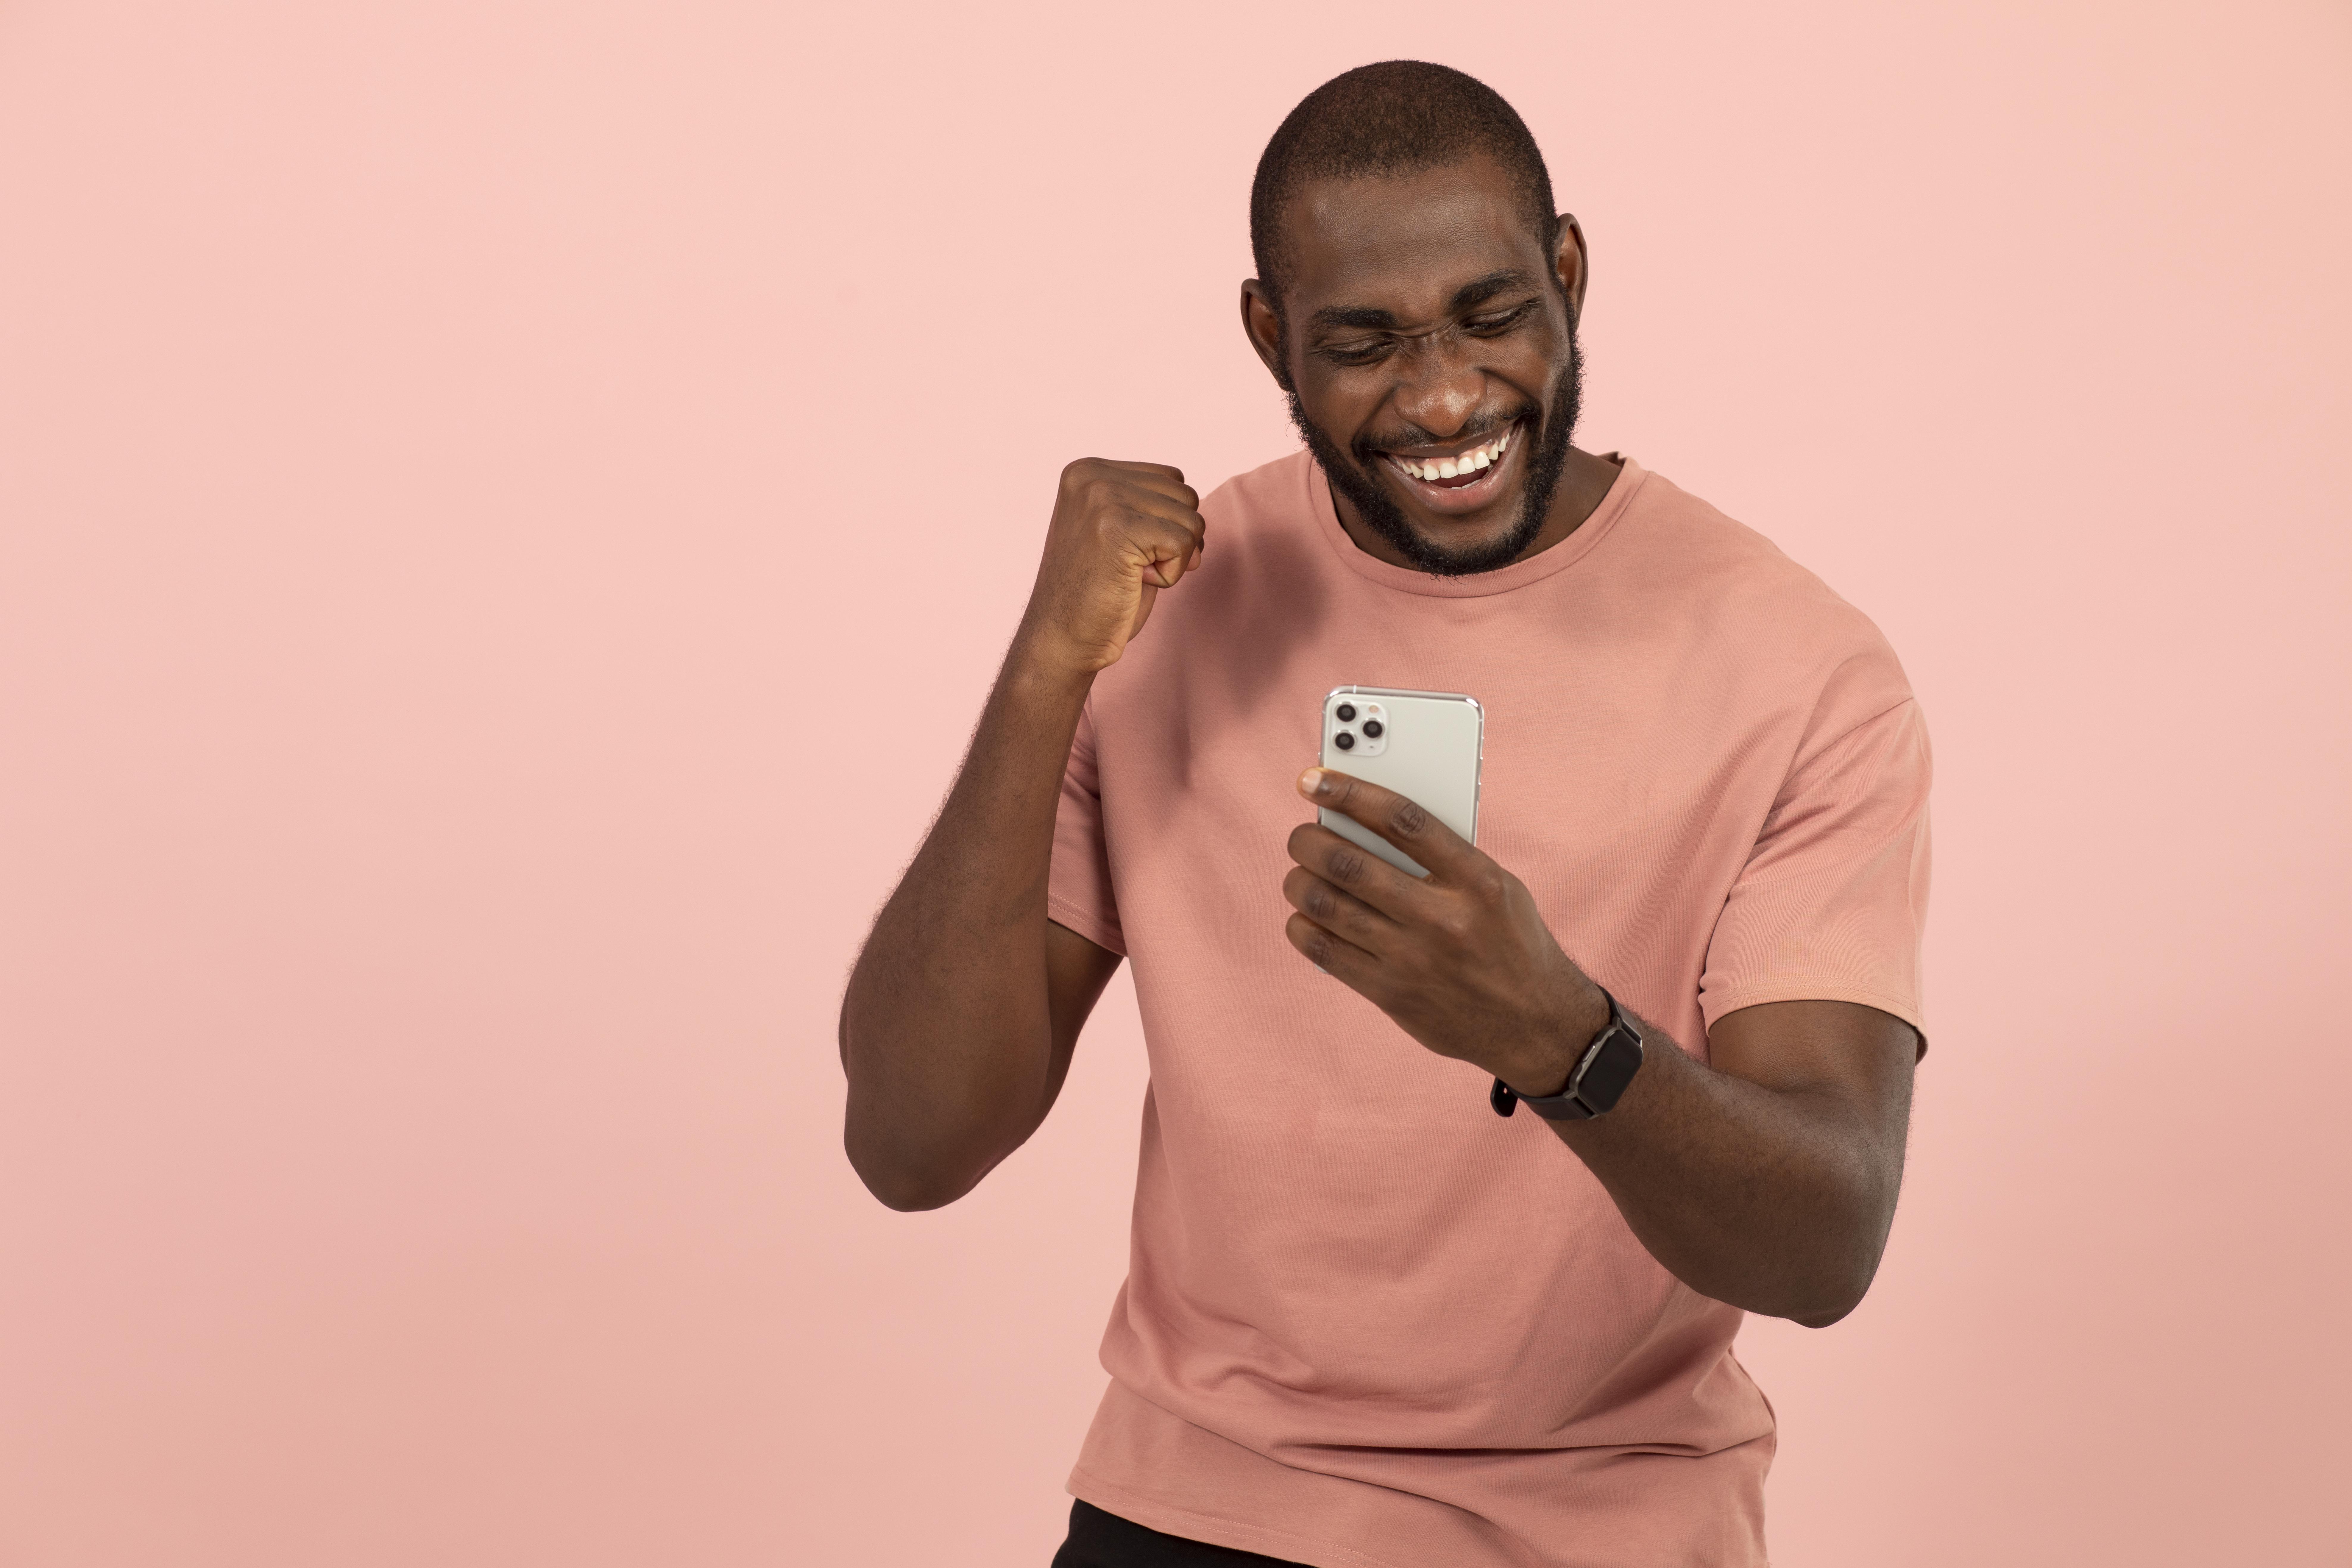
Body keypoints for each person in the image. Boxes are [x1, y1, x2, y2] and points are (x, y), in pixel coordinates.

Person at [838, 59, 1930, 1568]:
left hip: (1610, 1534)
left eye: (1491, 318)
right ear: (1269, 335)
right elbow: (912, 1143)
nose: (1441, 398)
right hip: (1192, 1511)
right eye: (1362, 344)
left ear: (1567, 274)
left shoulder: (1800, 669)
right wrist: (1044, 669)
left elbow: (1826, 1243)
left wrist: (1563, 1041)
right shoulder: (1158, 610)